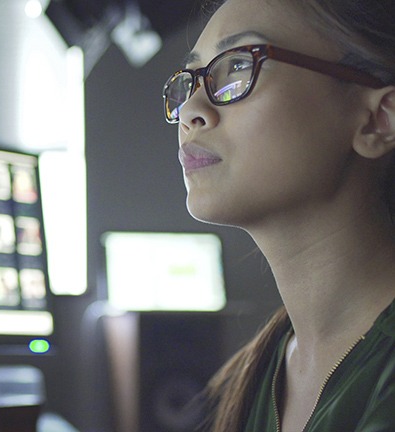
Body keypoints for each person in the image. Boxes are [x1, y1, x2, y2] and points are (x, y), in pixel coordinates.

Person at [162, 0, 395, 430]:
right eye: (189, 79)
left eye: (236, 67)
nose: (192, 110)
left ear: (377, 121)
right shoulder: (255, 372)